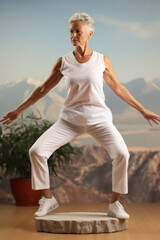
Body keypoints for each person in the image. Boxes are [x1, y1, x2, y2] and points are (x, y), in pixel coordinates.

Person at [0, 12, 160, 219]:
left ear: (90, 33)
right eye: (71, 32)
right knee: (37, 151)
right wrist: (18, 110)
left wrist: (143, 110)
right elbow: (42, 89)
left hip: (99, 120)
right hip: (69, 121)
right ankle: (48, 199)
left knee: (122, 155)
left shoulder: (102, 60)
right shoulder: (63, 62)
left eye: (78, 31)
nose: (73, 35)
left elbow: (119, 89)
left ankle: (115, 203)